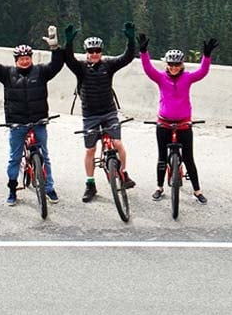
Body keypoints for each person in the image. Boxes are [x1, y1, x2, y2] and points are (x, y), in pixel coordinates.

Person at [0, 25, 66, 207]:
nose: (24, 61)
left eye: (27, 58)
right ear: (16, 60)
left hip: (39, 121)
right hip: (17, 123)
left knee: (44, 156)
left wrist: (55, 48)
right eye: (21, 59)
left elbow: (56, 65)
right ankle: (12, 188)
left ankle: (48, 188)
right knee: (14, 158)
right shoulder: (7, 74)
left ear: (30, 59)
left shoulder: (40, 72)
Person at [64, 22, 137, 203]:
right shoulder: (80, 68)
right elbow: (68, 59)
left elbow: (127, 58)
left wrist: (130, 40)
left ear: (101, 51)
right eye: (91, 51)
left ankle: (124, 173)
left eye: (97, 51)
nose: (94, 54)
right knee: (90, 150)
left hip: (109, 112)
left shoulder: (109, 65)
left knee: (118, 143)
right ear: (86, 52)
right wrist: (68, 43)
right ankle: (90, 184)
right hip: (90, 115)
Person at [140, 34, 215, 204]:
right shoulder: (160, 78)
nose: (174, 67)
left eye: (177, 64)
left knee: (188, 158)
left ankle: (197, 190)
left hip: (183, 124)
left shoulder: (187, 78)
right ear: (166, 64)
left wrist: (207, 56)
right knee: (161, 157)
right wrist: (143, 52)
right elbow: (148, 69)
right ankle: (159, 187)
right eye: (171, 64)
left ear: (182, 65)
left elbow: (202, 72)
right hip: (164, 123)